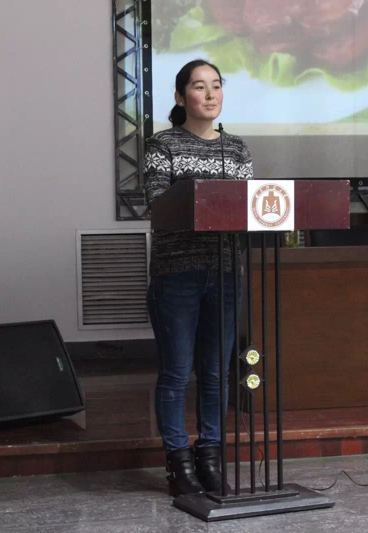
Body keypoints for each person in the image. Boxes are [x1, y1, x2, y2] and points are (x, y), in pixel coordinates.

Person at [144, 59, 254, 497]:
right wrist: (209, 201)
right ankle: (179, 463)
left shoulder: (237, 149)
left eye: (216, 86)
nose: (210, 95)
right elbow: (159, 205)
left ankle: (210, 457)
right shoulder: (162, 144)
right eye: (199, 86)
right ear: (179, 96)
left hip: (225, 271)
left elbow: (247, 207)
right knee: (176, 373)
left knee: (216, 373)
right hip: (177, 273)